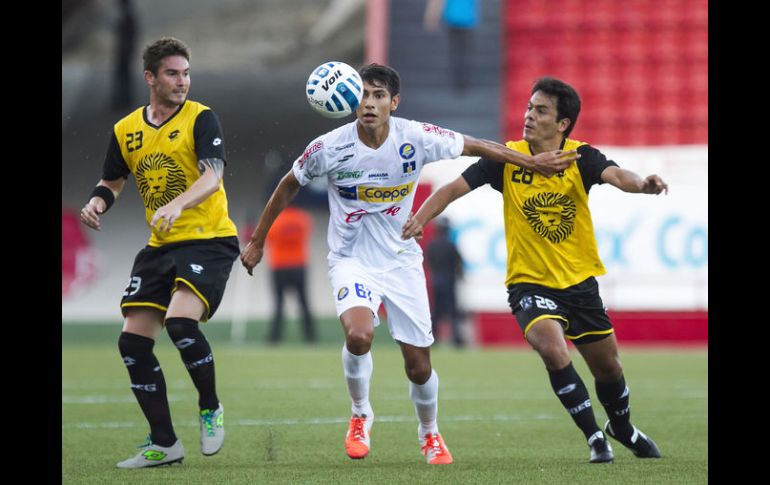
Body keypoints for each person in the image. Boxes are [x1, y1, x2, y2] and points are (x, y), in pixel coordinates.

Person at [240, 64, 578, 465]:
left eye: (379, 95)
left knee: (418, 368)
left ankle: (430, 432)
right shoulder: (329, 147)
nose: (369, 103)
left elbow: (478, 146)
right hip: (352, 260)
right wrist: (258, 240)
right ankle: (360, 413)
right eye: (363, 94)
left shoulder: (415, 137)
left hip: (402, 261)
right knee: (359, 335)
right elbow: (288, 185)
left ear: (394, 103)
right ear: (350, 100)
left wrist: (531, 163)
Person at [402, 76, 667, 464]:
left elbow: (618, 176)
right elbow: (450, 188)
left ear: (562, 124)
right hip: (528, 283)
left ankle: (621, 428)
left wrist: (644, 184)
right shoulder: (507, 158)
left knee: (609, 368)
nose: (529, 115)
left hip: (579, 284)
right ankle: (595, 436)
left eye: (540, 110)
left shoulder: (581, 157)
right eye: (529, 107)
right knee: (552, 348)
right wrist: (420, 219)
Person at [80, 37, 239, 468]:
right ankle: (164, 443)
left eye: (186, 73)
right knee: (132, 342)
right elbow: (112, 180)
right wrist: (98, 202)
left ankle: (210, 407)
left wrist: (175, 204)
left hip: (209, 239)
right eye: (172, 73)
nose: (182, 82)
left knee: (180, 324)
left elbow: (213, 177)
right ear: (150, 77)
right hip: (160, 245)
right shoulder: (126, 129)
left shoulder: (202, 119)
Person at [264, 204, 317, 344]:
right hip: (298, 264)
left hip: (279, 265)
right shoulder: (303, 218)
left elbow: (268, 238)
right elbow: (307, 234)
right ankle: (311, 336)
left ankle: (275, 337)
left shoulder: (275, 219)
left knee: (279, 303)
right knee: (304, 302)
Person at [425, 216, 465, 347]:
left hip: (436, 282)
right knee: (453, 311)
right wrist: (461, 277)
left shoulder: (432, 245)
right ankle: (456, 339)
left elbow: (427, 262)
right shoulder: (450, 245)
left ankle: (432, 338)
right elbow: (458, 264)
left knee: (436, 312)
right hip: (449, 281)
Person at [423, 0, 479, 92]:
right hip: (468, 19)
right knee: (465, 51)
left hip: (453, 19)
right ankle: (464, 80)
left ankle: (457, 79)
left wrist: (432, 16)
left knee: (455, 51)